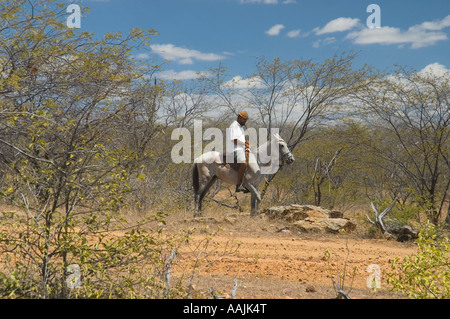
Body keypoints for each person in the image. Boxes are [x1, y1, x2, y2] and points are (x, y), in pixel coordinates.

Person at [227, 111, 250, 193]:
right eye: (244, 119)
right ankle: (238, 185)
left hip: (241, 149)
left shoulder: (240, 127)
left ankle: (247, 184)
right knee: (244, 163)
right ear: (239, 118)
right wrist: (245, 144)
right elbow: (234, 140)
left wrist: (246, 147)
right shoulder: (234, 126)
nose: (245, 121)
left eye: (246, 120)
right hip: (235, 149)